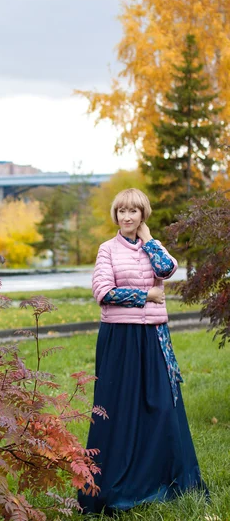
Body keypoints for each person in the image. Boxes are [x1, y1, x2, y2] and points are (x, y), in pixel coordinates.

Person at [78, 188, 207, 517]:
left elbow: (167, 271)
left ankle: (161, 478)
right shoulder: (107, 250)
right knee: (119, 410)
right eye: (121, 211)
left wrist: (149, 240)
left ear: (142, 215)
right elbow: (103, 292)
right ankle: (114, 486)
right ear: (115, 215)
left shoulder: (154, 247)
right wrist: (146, 296)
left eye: (134, 211)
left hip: (153, 338)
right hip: (120, 339)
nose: (127, 216)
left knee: (162, 407)